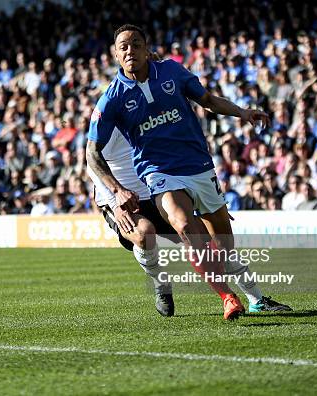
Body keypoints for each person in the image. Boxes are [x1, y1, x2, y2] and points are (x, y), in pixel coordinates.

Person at [86, 24, 277, 319]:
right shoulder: (111, 101)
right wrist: (115, 194)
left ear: (147, 49)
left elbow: (209, 101)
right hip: (158, 175)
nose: (130, 50)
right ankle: (224, 296)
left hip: (199, 166)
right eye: (123, 46)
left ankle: (256, 298)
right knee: (184, 228)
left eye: (136, 44)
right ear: (115, 55)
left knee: (222, 244)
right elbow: (91, 155)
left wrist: (243, 112)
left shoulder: (172, 73)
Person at [88, 126, 292, 317]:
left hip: (157, 192)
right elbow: (92, 160)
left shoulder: (151, 112)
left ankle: (256, 299)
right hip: (121, 199)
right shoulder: (111, 113)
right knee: (144, 233)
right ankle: (161, 283)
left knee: (212, 238)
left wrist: (211, 204)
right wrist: (114, 202)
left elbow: (177, 158)